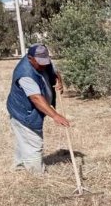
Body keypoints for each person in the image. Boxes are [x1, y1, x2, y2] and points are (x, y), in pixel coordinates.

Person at [6, 43, 70, 173]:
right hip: (23, 112)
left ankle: (19, 167)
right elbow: (36, 98)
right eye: (40, 62)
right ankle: (36, 174)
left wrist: (59, 82)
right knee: (33, 141)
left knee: (24, 140)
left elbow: (55, 71)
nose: (43, 65)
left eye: (45, 61)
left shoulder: (44, 61)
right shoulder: (25, 74)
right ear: (30, 58)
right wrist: (55, 115)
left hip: (30, 110)